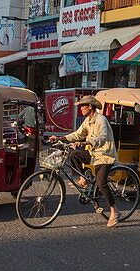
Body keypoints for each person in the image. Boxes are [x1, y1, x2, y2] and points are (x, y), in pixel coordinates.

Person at [49, 96, 120, 227]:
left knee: (101, 183)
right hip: (93, 154)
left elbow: (103, 137)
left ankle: (114, 210)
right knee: (74, 154)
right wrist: (60, 138)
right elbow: (77, 134)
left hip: (105, 155)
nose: (80, 108)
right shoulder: (88, 121)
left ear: (90, 107)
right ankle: (84, 180)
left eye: (83, 106)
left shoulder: (101, 120)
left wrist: (86, 142)